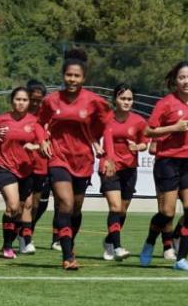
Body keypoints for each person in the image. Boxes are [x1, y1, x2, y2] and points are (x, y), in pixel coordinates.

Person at [139, 61, 188, 271]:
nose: (186, 81)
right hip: (168, 161)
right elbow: (148, 131)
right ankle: (149, 242)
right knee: (166, 213)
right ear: (175, 80)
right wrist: (173, 127)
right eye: (182, 77)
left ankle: (181, 259)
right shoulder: (165, 103)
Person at [38, 49, 116, 270]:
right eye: (68, 75)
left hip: (83, 160)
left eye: (77, 76)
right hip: (58, 157)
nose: (72, 79)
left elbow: (106, 128)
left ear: (84, 78)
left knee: (76, 209)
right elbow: (38, 122)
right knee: (65, 203)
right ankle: (67, 256)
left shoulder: (95, 102)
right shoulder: (51, 100)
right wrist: (43, 139)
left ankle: (69, 243)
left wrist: (108, 155)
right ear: (63, 75)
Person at [0, 87, 45, 259]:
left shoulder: (34, 121)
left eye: (24, 100)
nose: (21, 103)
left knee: (23, 208)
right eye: (18, 99)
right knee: (13, 205)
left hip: (26, 171)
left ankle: (19, 241)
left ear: (28, 102)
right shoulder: (1, 119)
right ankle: (7, 246)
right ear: (12, 101)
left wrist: (35, 146)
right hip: (5, 167)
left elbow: (45, 144)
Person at [99, 84, 148, 261]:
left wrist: (138, 146)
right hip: (109, 167)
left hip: (129, 168)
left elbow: (145, 143)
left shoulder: (139, 121)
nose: (126, 102)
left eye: (129, 99)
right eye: (123, 98)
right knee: (115, 207)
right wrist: (97, 147)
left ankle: (109, 241)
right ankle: (118, 247)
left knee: (123, 210)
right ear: (115, 99)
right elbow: (91, 134)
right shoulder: (105, 119)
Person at [20, 80, 48, 254]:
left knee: (35, 204)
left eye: (40, 100)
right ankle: (22, 237)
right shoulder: (19, 116)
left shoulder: (46, 118)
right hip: (21, 166)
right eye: (33, 99)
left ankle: (26, 233)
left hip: (41, 165)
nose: (36, 104)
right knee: (23, 204)